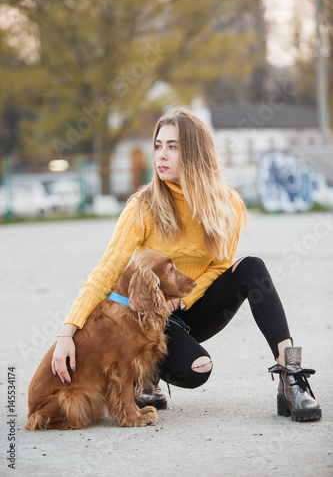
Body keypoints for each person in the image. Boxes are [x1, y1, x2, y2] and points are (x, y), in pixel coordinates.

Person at [52, 108, 321, 422]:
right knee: (196, 371)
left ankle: (291, 376)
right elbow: (108, 269)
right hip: (149, 315)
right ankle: (145, 371)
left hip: (191, 307)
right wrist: (67, 332)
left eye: (173, 146)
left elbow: (220, 266)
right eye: (158, 145)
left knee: (252, 268)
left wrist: (183, 300)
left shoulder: (227, 205)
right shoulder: (143, 205)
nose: (161, 155)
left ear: (196, 153)